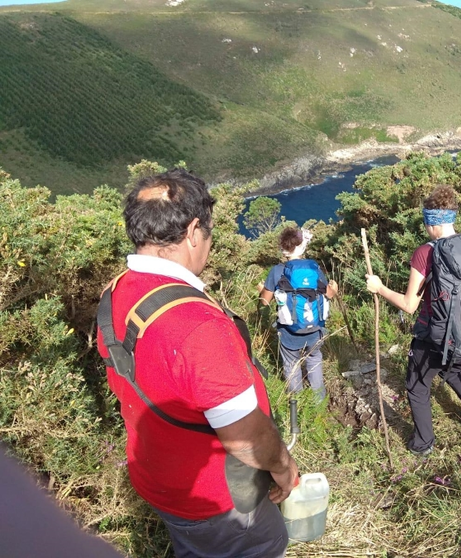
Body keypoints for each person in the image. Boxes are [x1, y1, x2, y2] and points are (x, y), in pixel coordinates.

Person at [96, 169, 298, 558]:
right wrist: (284, 466)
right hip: (217, 499)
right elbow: (246, 437)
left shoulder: (118, 289)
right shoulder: (197, 327)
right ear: (192, 232)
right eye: (208, 233)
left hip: (158, 477)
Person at [365, 184, 461, 456]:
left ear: (432, 223)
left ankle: (423, 444)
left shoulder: (426, 252)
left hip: (435, 336)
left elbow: (409, 305)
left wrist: (379, 288)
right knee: (454, 372)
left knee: (416, 385)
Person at [259, 226, 338, 401]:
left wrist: (261, 290)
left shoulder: (277, 271)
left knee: (291, 365)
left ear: (283, 249)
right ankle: (319, 403)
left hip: (289, 332)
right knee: (314, 360)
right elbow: (328, 294)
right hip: (315, 330)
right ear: (302, 247)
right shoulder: (314, 269)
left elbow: (264, 301)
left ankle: (298, 406)